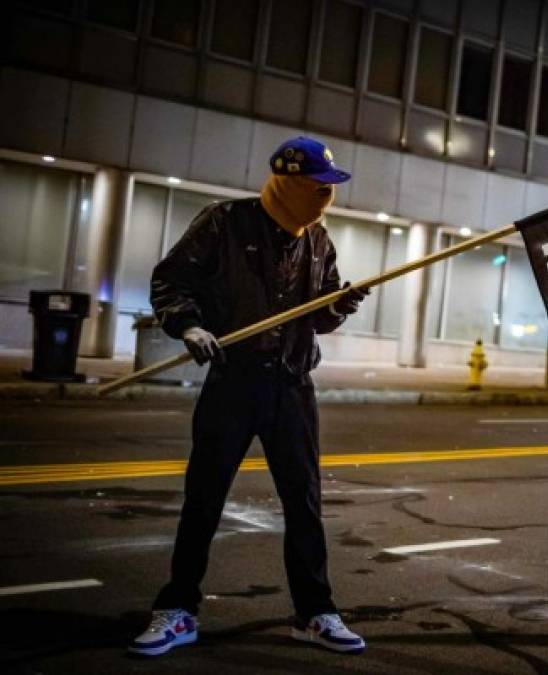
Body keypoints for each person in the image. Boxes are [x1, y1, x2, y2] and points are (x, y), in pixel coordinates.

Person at [129, 137, 369, 657]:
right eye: (318, 186)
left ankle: (315, 613)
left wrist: (341, 304)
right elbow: (171, 281)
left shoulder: (318, 240)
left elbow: (318, 318)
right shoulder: (223, 223)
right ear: (288, 182)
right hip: (232, 383)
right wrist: (188, 327)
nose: (326, 196)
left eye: (330, 187)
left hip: (292, 387)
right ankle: (178, 610)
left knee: (304, 505)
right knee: (204, 500)